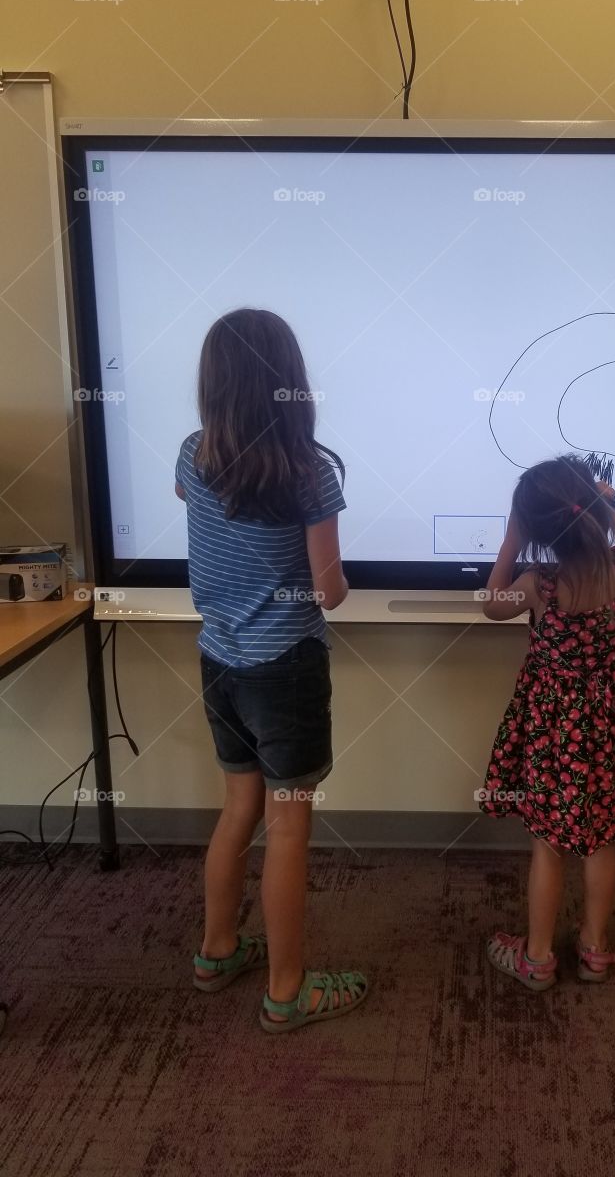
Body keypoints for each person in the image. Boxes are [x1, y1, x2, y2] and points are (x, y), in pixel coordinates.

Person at [176, 307, 369, 1032]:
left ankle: (217, 951)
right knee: (288, 829)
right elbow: (329, 590)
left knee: (238, 812)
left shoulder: (192, 454)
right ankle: (288, 991)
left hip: (219, 660)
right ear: (290, 384)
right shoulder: (307, 472)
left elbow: (193, 505)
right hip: (285, 668)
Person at [478, 454, 615, 990]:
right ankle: (595, 949)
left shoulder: (539, 583)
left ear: (536, 527)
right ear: (593, 515)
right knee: (602, 840)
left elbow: (491, 604)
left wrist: (511, 541)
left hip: (553, 727)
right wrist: (610, 509)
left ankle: (536, 957)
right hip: (610, 722)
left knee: (547, 842)